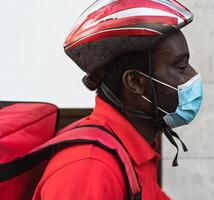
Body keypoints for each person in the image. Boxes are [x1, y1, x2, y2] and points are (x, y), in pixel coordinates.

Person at [33, 0, 203, 199]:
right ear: (135, 82)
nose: (192, 76)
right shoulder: (90, 168)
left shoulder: (135, 151)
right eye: (181, 67)